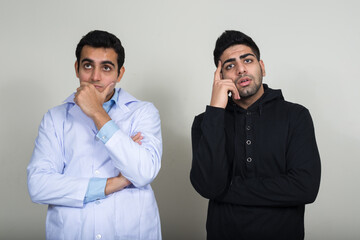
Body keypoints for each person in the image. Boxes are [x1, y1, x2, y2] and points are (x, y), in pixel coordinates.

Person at [27, 30, 162, 240]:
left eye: (106, 68)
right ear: (77, 68)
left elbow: (144, 172)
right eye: (87, 66)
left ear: (120, 73)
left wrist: (97, 112)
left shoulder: (143, 113)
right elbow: (38, 186)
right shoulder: (55, 118)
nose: (95, 77)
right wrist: (118, 182)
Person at [190, 30, 321, 240]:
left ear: (262, 67)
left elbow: (305, 188)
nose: (241, 69)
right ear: (220, 77)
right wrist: (215, 110)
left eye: (247, 60)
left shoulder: (296, 116)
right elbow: (208, 186)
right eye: (230, 66)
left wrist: (229, 188)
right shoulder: (204, 122)